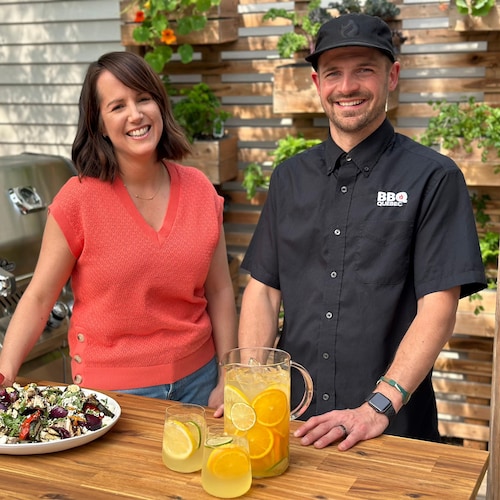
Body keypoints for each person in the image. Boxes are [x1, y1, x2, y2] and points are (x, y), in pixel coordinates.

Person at [237, 14, 486, 450]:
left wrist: (377, 407)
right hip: (294, 422)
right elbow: (262, 290)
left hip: (392, 430)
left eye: (364, 70)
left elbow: (438, 308)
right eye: (333, 73)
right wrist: (253, 388)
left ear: (392, 76)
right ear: (317, 83)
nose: (347, 86)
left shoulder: (433, 178)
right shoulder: (288, 178)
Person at [0, 51, 237, 408]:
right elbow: (38, 297)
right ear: (99, 124)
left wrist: (227, 374)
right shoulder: (78, 199)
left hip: (201, 385)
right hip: (111, 396)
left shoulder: (201, 189)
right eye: (117, 106)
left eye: (144, 98)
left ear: (160, 105)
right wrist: (4, 373)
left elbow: (219, 291)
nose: (136, 114)